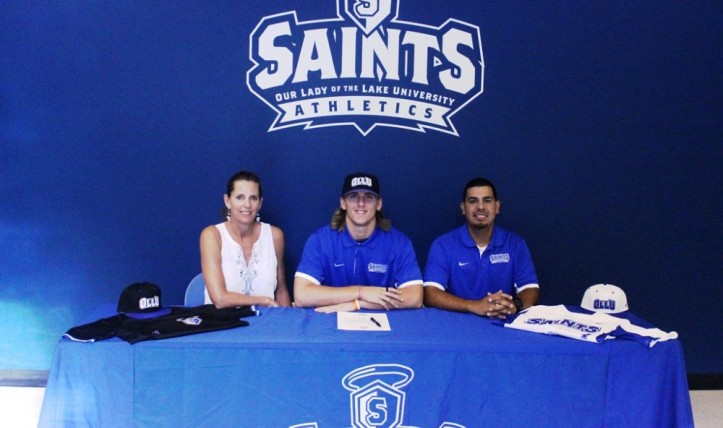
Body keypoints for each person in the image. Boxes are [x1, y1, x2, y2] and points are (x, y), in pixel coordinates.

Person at [294, 172, 423, 312]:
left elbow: (415, 297)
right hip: (329, 320)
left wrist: (358, 304)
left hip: (385, 322)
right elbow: (302, 295)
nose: (361, 203)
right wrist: (360, 292)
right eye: (353, 196)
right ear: (343, 203)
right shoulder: (320, 241)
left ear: (379, 204)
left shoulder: (399, 243)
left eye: (369, 197)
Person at [423, 177, 539, 318]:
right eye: (473, 201)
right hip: (456, 326)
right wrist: (474, 306)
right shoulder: (443, 245)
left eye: (487, 200)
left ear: (497, 207)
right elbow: (431, 293)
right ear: (463, 208)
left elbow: (530, 289)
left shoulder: (516, 244)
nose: (480, 207)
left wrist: (514, 305)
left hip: (503, 323)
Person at [199, 171, 291, 308]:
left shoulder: (275, 236)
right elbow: (219, 299)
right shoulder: (212, 235)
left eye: (253, 198)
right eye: (240, 197)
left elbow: (281, 290)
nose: (247, 204)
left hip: (266, 319)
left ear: (260, 203)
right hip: (222, 320)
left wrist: (289, 319)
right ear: (227, 201)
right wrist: (264, 301)